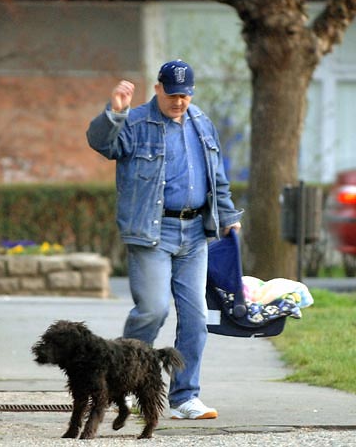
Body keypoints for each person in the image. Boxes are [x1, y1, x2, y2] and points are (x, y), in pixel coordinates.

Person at [86, 59, 243, 420]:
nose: (178, 102)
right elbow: (102, 144)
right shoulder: (136, 121)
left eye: (185, 96)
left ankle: (185, 397)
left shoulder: (201, 123)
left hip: (195, 234)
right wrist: (114, 112)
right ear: (157, 88)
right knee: (152, 310)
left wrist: (228, 216)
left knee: (196, 317)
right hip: (151, 232)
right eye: (172, 94)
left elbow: (217, 177)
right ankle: (121, 385)